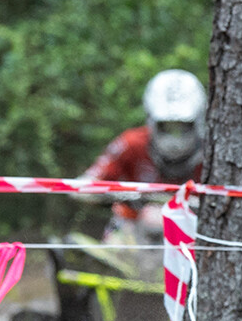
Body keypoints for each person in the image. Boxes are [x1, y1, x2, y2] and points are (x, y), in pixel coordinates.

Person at [81, 69, 207, 246]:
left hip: (195, 233)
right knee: (115, 242)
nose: (174, 140)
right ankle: (107, 268)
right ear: (151, 120)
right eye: (166, 127)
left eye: (182, 127)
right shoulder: (131, 143)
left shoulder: (212, 153)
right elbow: (85, 185)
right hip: (132, 231)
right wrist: (118, 195)